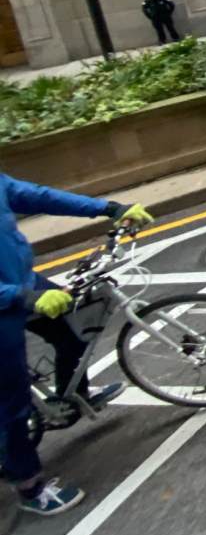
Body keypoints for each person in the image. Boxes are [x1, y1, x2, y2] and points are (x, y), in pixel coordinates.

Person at [2, 176, 153, 516]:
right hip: (6, 304)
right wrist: (21, 296)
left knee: (72, 333)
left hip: (23, 284)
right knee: (12, 406)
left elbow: (40, 195)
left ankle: (76, 395)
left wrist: (109, 208)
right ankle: (30, 489)